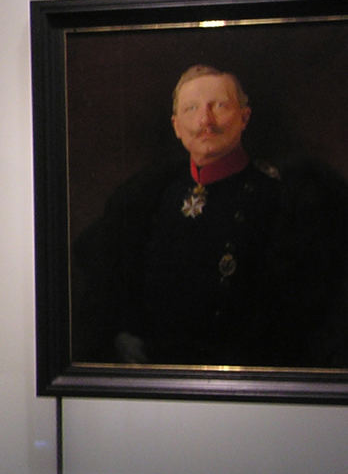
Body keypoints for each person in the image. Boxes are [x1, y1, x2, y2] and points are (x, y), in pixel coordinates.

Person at [72, 62, 346, 368]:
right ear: (176, 126)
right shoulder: (154, 196)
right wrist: (125, 331)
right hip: (157, 366)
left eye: (219, 106)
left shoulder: (279, 197)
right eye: (191, 109)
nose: (205, 121)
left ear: (244, 118)